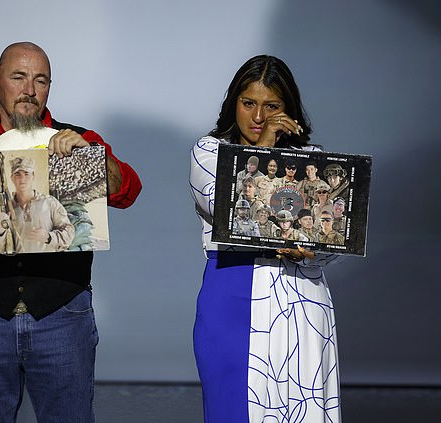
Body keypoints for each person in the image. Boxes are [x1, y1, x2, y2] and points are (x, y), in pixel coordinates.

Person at [0, 42, 142, 423]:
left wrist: (91, 157)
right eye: (18, 77)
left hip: (63, 315)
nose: (29, 90)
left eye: (40, 80)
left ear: (50, 87)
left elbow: (128, 191)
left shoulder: (78, 140)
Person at [189, 54, 342, 423]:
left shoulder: (312, 160)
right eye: (248, 104)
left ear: (287, 110)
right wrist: (267, 149)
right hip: (234, 295)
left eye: (271, 106)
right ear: (233, 104)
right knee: (234, 410)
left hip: (303, 298)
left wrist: (311, 251)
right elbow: (230, 210)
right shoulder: (210, 152)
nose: (258, 118)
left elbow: (331, 239)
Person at [0, 156, 75, 254]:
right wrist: (1, 230)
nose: (22, 178)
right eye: (17, 174)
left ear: (33, 175)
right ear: (12, 178)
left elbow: (69, 233)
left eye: (26, 173)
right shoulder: (7, 209)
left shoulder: (50, 203)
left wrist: (49, 237)